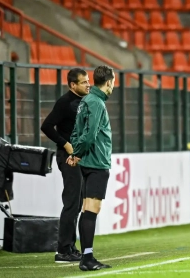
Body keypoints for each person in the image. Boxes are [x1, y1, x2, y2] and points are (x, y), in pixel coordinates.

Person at [67, 65, 115, 271]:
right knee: (91, 210)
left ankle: (86, 256)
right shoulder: (96, 103)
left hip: (88, 161)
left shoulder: (86, 100)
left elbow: (76, 131)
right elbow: (90, 134)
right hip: (97, 162)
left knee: (87, 209)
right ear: (109, 82)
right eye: (113, 82)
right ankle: (87, 259)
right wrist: (77, 153)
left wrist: (75, 153)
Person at [41, 68, 90, 263]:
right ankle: (62, 250)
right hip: (68, 157)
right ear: (72, 85)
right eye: (83, 82)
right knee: (71, 203)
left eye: (88, 81)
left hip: (79, 158)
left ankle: (70, 246)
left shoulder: (84, 101)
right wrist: (66, 144)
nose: (88, 84)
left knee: (77, 203)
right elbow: (46, 126)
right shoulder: (65, 102)